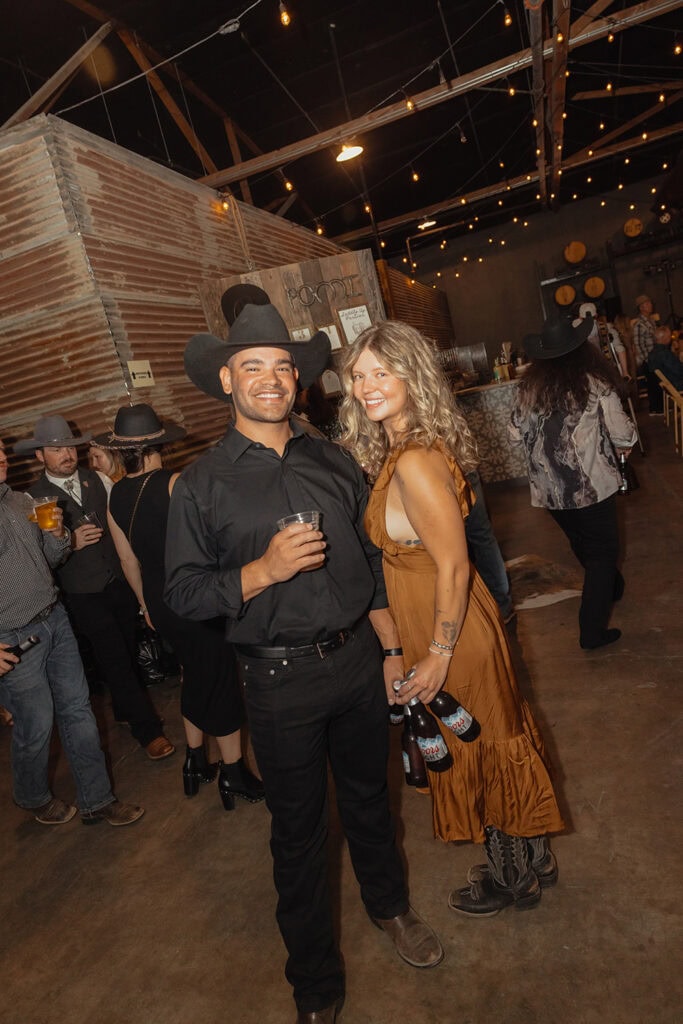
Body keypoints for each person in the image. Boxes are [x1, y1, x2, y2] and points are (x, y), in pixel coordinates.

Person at [165, 302, 443, 1024]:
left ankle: (390, 907)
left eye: (283, 366)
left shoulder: (334, 460)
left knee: (371, 801)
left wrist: (390, 648)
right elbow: (183, 593)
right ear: (226, 379)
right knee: (299, 832)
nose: (271, 378)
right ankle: (315, 983)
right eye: (252, 366)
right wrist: (260, 572)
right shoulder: (200, 484)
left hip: (356, 662)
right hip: (277, 679)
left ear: (299, 380)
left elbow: (374, 565)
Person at [338, 319, 564, 920]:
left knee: (478, 746)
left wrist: (438, 653)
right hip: (444, 622)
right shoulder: (407, 446)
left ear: (411, 375)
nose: (366, 387)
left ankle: (512, 879)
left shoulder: (414, 460)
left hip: (453, 632)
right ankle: (534, 856)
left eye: (382, 372)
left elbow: (456, 565)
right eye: (358, 375)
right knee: (495, 733)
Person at [99, 403, 264, 808]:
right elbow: (212, 540)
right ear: (160, 444)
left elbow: (127, 561)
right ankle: (233, 773)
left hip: (159, 600)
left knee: (194, 673)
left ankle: (194, 760)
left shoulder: (115, 494)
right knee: (219, 678)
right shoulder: (176, 483)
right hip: (196, 596)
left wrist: (145, 605)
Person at [0, 439, 143, 826]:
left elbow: (51, 558)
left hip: (55, 618)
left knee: (78, 710)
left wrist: (58, 535)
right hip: (13, 636)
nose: (1, 457)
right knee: (36, 724)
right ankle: (32, 795)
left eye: (0, 449)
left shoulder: (22, 501)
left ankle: (98, 799)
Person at [16, 415, 174, 761]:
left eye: (70, 447)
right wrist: (69, 542)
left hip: (116, 580)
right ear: (39, 456)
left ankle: (123, 709)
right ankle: (148, 731)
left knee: (126, 650)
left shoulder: (96, 479)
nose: (66, 454)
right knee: (114, 657)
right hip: (82, 591)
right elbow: (38, 558)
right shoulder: (31, 499)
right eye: (56, 450)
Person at [510, 318, 638, 650]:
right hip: (591, 485)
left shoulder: (526, 390)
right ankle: (591, 632)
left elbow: (514, 435)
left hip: (550, 491)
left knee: (583, 543)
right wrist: (625, 443)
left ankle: (610, 586)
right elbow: (623, 433)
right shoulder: (595, 383)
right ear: (580, 350)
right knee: (602, 553)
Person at [632, 294, 660, 413]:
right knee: (653, 385)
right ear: (641, 307)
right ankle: (654, 409)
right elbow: (638, 344)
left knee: (658, 384)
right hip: (649, 360)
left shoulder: (651, 321)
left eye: (650, 303)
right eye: (647, 303)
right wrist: (647, 360)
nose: (650, 305)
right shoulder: (639, 324)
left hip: (656, 357)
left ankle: (660, 408)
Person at [648, 325, 683, 391]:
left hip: (665, 386)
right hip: (675, 385)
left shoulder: (652, 353)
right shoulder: (664, 353)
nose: (671, 338)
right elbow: (679, 371)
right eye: (669, 336)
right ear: (664, 338)